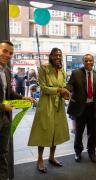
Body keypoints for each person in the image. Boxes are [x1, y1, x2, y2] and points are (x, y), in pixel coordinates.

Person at [28, 48, 70, 173]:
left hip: (58, 106)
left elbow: (63, 86)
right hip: (46, 105)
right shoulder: (44, 69)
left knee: (56, 131)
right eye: (56, 55)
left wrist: (64, 93)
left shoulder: (62, 70)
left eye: (60, 55)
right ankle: (40, 159)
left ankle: (52, 157)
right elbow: (44, 88)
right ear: (50, 56)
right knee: (43, 131)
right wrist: (58, 90)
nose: (58, 57)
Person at [0, 40, 33, 180]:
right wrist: (2, 106)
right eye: (5, 51)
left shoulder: (7, 70)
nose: (8, 55)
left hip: (5, 120)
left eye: (11, 53)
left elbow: (9, 94)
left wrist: (23, 98)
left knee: (3, 152)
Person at [67, 54, 96, 163]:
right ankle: (78, 152)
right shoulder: (76, 73)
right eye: (86, 61)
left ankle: (91, 152)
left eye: (90, 61)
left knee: (93, 132)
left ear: (93, 62)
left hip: (93, 108)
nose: (88, 63)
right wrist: (65, 90)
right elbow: (70, 85)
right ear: (83, 62)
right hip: (80, 108)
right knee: (79, 132)